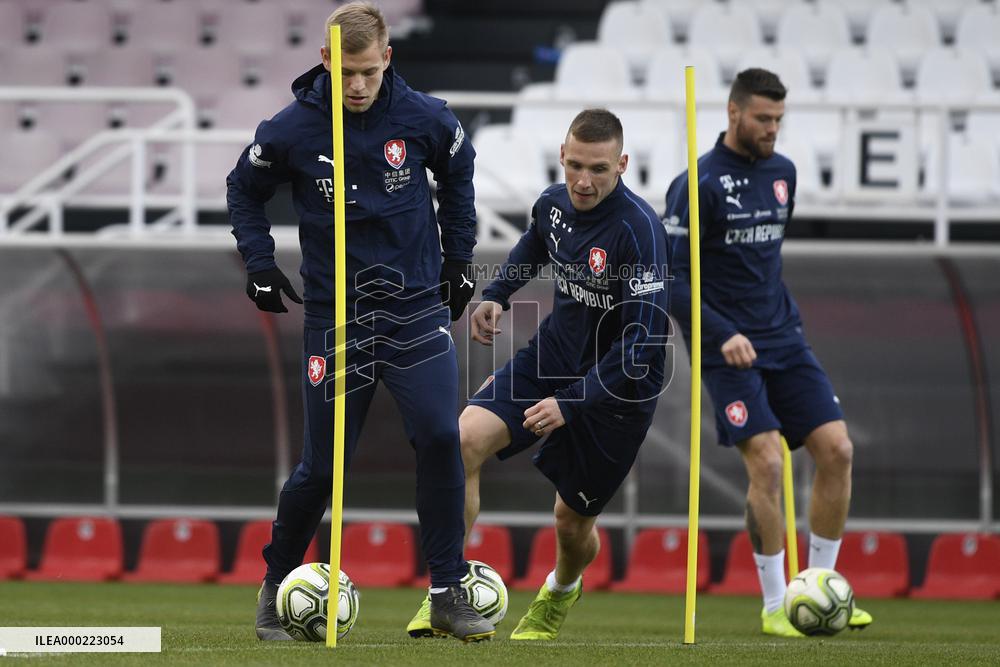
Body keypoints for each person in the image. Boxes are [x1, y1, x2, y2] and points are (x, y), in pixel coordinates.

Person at [227, 2, 493, 642]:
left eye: (369, 71)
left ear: (387, 58)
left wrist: (460, 259)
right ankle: (274, 589)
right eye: (346, 71)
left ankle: (446, 591)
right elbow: (243, 189)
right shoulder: (291, 129)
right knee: (323, 468)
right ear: (325, 58)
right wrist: (259, 262)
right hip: (337, 319)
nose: (357, 84)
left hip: (413, 313)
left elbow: (459, 174)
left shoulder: (426, 118)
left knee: (440, 436)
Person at [407, 109, 670, 640]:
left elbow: (641, 345)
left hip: (617, 391)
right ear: (562, 156)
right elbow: (535, 243)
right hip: (551, 359)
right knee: (460, 443)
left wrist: (571, 404)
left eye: (598, 169)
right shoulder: (553, 203)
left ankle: (561, 590)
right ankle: (446, 591)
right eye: (575, 165)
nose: (583, 181)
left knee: (570, 523)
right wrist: (498, 294)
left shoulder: (640, 231)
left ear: (622, 165)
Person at [663, 68, 873, 637]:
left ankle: (823, 586)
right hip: (725, 347)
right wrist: (720, 332)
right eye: (762, 118)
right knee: (767, 461)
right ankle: (777, 604)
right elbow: (671, 280)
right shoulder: (696, 183)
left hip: (784, 336)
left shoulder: (785, 173)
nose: (772, 128)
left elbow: (764, 261)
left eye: (779, 118)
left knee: (838, 450)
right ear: (734, 113)